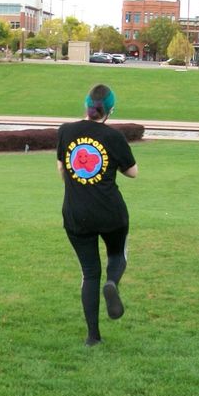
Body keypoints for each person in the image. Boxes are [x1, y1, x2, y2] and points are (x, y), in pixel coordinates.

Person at [56, 84, 138, 347]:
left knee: (90, 273)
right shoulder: (114, 137)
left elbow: (61, 169)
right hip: (110, 211)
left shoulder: (66, 131)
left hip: (76, 212)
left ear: (87, 105)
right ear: (110, 110)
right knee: (117, 254)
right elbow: (133, 172)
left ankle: (93, 337)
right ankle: (112, 282)